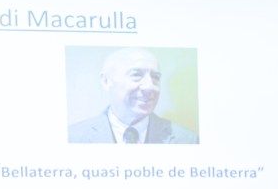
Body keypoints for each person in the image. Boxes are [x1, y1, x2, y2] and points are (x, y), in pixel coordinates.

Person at [68, 47, 198, 144]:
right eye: (136, 74)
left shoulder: (187, 140)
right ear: (106, 81)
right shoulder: (73, 137)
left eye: (155, 77)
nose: (150, 86)